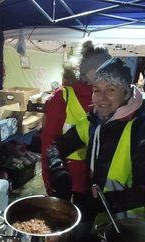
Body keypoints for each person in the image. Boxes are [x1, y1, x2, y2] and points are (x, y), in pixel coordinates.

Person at [46, 58, 145, 225]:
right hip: (97, 218)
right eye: (96, 90)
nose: (101, 98)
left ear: (126, 93)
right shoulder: (94, 122)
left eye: (110, 90)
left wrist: (103, 201)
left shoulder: (142, 132)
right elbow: (56, 146)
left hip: (127, 226)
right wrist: (58, 170)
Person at [41, 40, 111, 204]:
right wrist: (49, 179)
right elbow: (48, 143)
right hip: (65, 178)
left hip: (97, 180)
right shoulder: (62, 97)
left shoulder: (111, 100)